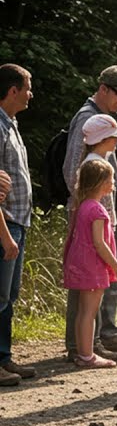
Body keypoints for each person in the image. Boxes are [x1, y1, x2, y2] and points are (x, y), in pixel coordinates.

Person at [62, 67, 117, 359]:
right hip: (94, 216)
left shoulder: (105, 123)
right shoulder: (88, 120)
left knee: (101, 279)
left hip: (107, 213)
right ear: (104, 88)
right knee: (87, 281)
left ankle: (100, 336)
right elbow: (74, 170)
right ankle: (81, 346)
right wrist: (90, 210)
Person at [63, 159, 117, 368]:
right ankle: (87, 355)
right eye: (111, 179)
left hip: (81, 265)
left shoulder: (82, 206)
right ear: (101, 182)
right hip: (93, 267)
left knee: (83, 311)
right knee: (90, 312)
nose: (114, 184)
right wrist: (116, 266)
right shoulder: (98, 210)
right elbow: (99, 244)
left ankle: (83, 353)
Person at [0, 64, 36, 386]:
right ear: (12, 90)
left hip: (18, 224)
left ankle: (4, 358)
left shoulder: (11, 124)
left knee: (8, 297)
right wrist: (5, 236)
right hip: (5, 225)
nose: (31, 93)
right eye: (27, 87)